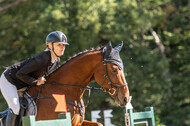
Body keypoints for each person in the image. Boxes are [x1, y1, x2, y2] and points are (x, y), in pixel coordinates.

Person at [0, 31, 69, 126]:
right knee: (15, 108)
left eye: (64, 45)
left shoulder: (56, 60)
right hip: (10, 80)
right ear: (50, 46)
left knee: (25, 106)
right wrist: (36, 82)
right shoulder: (42, 58)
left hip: (24, 82)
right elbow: (20, 74)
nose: (62, 47)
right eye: (59, 45)